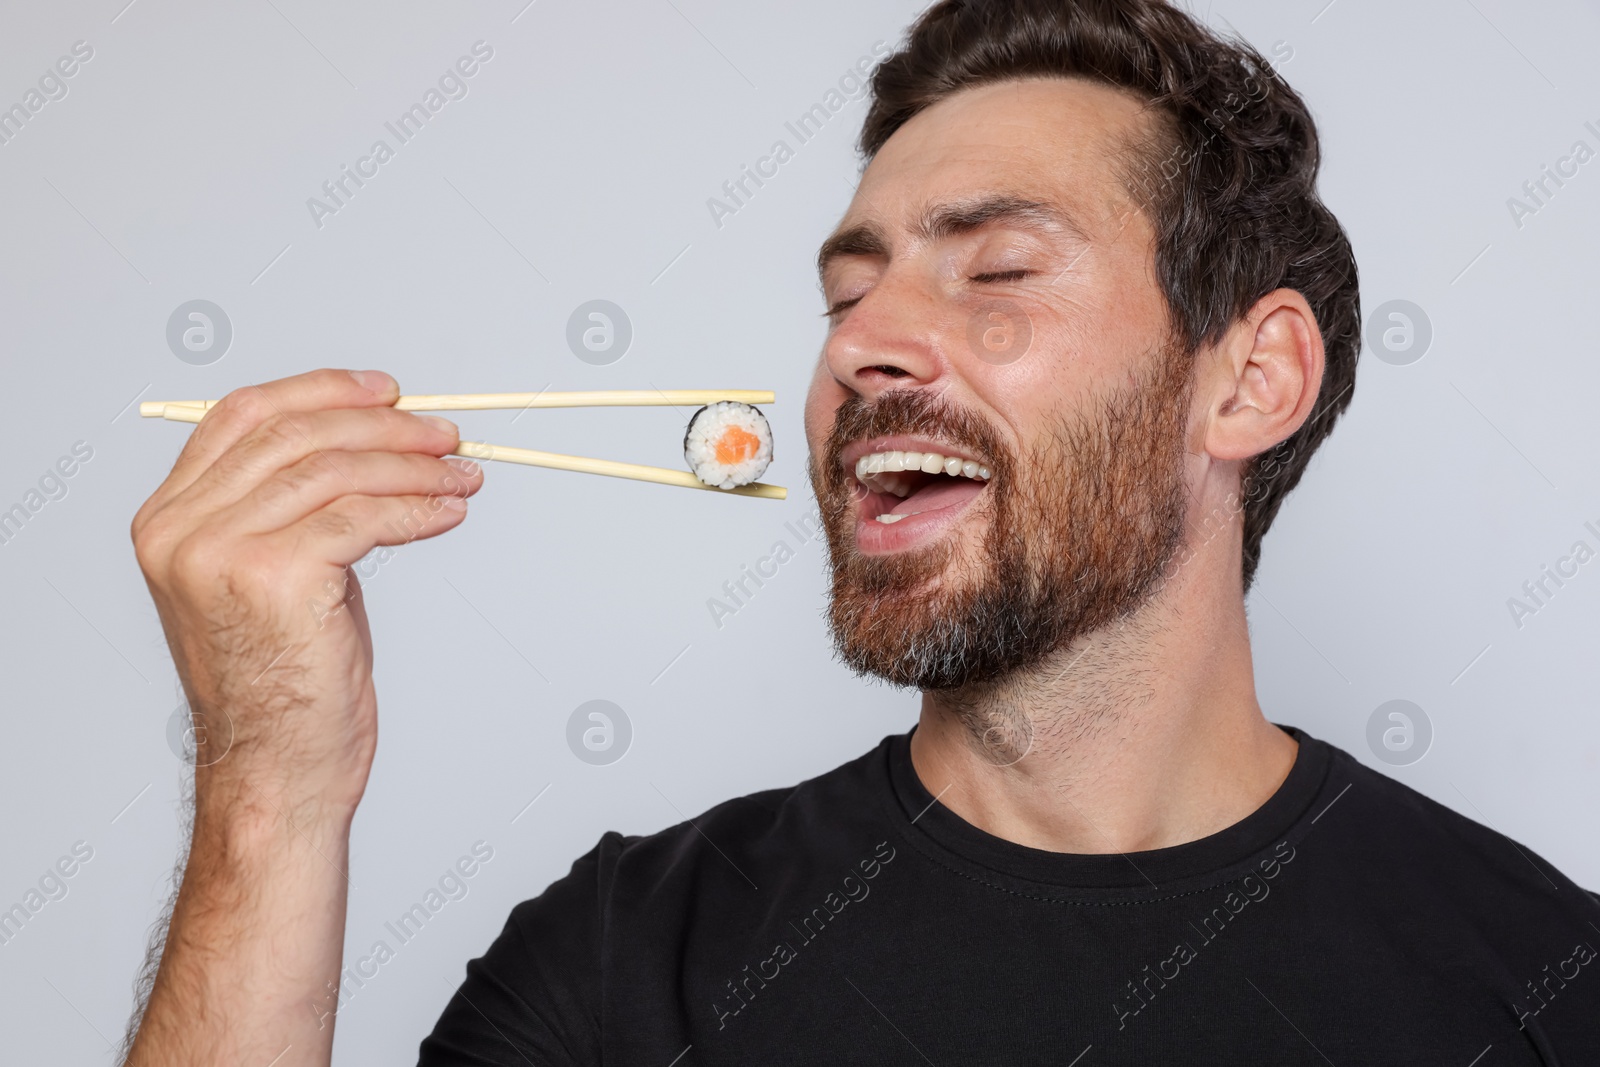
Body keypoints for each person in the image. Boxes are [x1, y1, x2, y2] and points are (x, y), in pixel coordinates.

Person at [122, 1, 1600, 1064]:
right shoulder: (634, 958)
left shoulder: (1546, 985)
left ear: (1249, 379)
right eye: (847, 295)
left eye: (997, 270)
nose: (863, 347)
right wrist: (271, 788)